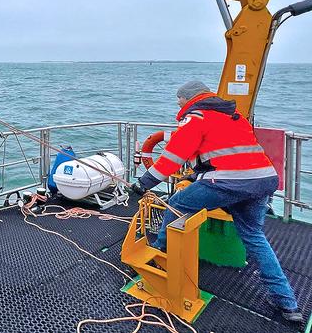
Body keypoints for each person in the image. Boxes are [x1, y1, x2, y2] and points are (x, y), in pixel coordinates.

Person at [129, 80, 302, 323]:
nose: (178, 105)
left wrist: (143, 184)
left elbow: (173, 156)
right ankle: (288, 305)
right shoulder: (233, 116)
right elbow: (228, 153)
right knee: (254, 236)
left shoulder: (196, 116)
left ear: (189, 98)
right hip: (262, 180)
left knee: (176, 204)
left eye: (179, 100)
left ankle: (159, 253)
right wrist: (196, 174)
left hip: (228, 182)